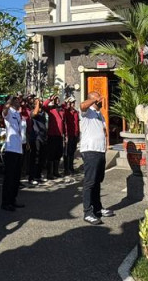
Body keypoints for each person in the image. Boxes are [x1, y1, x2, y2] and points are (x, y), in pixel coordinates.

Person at [80, 91, 113, 225]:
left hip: (100, 151)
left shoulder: (100, 115)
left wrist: (106, 146)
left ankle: (97, 208)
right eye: (97, 97)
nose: (101, 100)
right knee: (90, 182)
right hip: (90, 150)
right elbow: (82, 106)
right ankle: (88, 212)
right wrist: (94, 99)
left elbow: (104, 132)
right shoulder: (87, 112)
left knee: (97, 182)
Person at [0, 95, 25, 211]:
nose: (19, 102)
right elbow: (4, 111)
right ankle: (5, 202)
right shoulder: (9, 112)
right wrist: (10, 99)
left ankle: (13, 199)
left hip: (18, 148)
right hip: (11, 149)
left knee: (16, 177)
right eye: (16, 100)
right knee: (9, 178)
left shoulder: (17, 113)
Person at [45, 97, 66, 180]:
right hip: (52, 135)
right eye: (55, 99)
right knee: (51, 154)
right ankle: (49, 173)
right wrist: (49, 99)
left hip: (59, 135)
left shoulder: (61, 110)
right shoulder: (50, 109)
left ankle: (55, 172)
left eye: (58, 99)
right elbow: (44, 106)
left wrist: (65, 134)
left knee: (58, 153)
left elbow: (63, 123)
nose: (57, 100)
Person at [27, 98, 46, 185]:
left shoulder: (43, 113)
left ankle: (38, 176)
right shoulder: (32, 112)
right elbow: (35, 113)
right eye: (38, 103)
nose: (40, 103)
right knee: (35, 158)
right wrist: (37, 103)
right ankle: (31, 177)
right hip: (35, 138)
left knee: (41, 158)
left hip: (42, 137)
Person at [62, 96, 80, 176]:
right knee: (67, 152)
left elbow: (77, 123)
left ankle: (71, 168)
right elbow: (63, 108)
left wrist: (78, 134)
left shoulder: (76, 112)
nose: (73, 104)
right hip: (68, 135)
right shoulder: (66, 111)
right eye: (71, 102)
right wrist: (66, 102)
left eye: (73, 102)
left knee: (72, 152)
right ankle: (66, 169)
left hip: (74, 134)